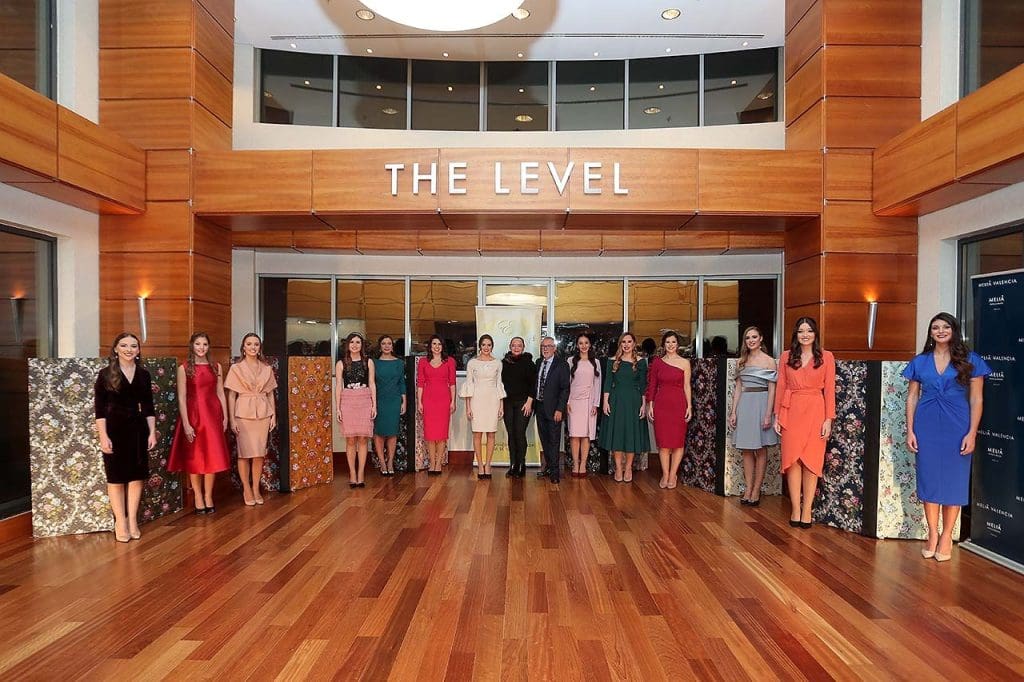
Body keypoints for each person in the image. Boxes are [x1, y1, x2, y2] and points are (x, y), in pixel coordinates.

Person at [904, 312, 990, 562]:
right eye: (935, 327)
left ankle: (947, 536)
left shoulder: (971, 360)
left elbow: (977, 399)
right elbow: (912, 397)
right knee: (929, 480)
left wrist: (972, 433)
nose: (940, 331)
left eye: (945, 327)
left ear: (954, 330)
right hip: (927, 425)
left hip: (958, 426)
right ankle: (932, 533)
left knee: (954, 482)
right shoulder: (920, 361)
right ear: (930, 333)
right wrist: (910, 429)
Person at [773, 317, 835, 529]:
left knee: (812, 462)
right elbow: (781, 386)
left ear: (815, 334)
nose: (805, 335)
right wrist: (777, 415)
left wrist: (828, 419)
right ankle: (795, 509)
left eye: (809, 331)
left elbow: (830, 390)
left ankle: (807, 509)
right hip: (791, 411)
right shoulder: (786, 356)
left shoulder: (826, 357)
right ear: (795, 334)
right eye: (801, 331)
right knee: (792, 462)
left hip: (816, 411)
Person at [94, 332, 156, 542]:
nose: (129, 349)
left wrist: (152, 432)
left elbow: (148, 407)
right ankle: (120, 521)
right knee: (116, 478)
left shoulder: (144, 375)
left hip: (138, 430)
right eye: (124, 345)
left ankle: (132, 520)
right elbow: (99, 410)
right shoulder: (105, 374)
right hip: (114, 430)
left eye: (133, 346)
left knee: (136, 477)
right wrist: (103, 436)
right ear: (116, 349)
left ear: (138, 350)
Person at [169, 332, 230, 514]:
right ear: (192, 346)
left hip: (212, 415)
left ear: (208, 347)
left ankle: (208, 495)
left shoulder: (216, 367)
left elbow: (220, 393)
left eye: (205, 344)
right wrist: (186, 424)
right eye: (198, 344)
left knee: (213, 455)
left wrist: (225, 416)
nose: (201, 347)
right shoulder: (184, 368)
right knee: (194, 456)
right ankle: (197, 496)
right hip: (194, 415)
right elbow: (181, 398)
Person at [225, 333, 277, 506]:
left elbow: (270, 394)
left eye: (256, 344)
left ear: (260, 348)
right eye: (249, 344)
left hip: (263, 413)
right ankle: (246, 488)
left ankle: (256, 488)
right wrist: (232, 419)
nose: (253, 347)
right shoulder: (236, 368)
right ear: (243, 347)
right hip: (243, 414)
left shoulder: (267, 368)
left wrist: (273, 415)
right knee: (244, 453)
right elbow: (231, 396)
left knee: (259, 454)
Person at [728, 326, 778, 506]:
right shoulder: (742, 361)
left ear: (761, 338)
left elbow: (772, 390)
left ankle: (756, 490)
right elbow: (738, 388)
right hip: (745, 404)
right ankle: (748, 488)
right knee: (746, 450)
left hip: (762, 404)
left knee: (761, 448)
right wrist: (734, 411)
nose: (751, 340)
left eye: (754, 337)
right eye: (748, 337)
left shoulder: (769, 361)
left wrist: (768, 414)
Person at [645, 331, 692, 489]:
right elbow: (652, 385)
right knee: (663, 443)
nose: (671, 345)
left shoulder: (685, 363)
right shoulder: (657, 362)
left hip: (679, 404)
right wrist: (650, 405)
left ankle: (673, 474)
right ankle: (665, 474)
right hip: (661, 405)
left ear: (677, 344)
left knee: (678, 442)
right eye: (668, 342)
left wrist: (689, 406)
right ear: (663, 345)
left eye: (673, 342)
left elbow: (687, 386)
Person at [599, 332, 649, 483]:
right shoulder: (612, 361)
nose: (626, 345)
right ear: (620, 344)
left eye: (629, 342)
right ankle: (618, 468)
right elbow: (608, 383)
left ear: (634, 344)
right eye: (623, 342)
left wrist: (643, 404)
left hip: (634, 401)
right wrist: (605, 402)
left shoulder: (641, 362)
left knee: (631, 434)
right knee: (618, 435)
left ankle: (628, 468)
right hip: (616, 400)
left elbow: (643, 385)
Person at [461, 334, 505, 479]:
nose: (486, 347)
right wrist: (468, 407)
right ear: (480, 346)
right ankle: (480, 464)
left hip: (493, 400)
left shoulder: (498, 363)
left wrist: (501, 406)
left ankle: (488, 465)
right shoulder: (472, 363)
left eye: (489, 345)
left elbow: (499, 384)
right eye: (484, 344)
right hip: (476, 400)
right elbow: (469, 385)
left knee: (491, 433)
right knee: (477, 434)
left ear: (492, 347)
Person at [336, 332, 377, 488]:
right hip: (347, 400)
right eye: (352, 342)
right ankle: (352, 473)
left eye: (358, 342)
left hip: (364, 399)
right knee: (351, 439)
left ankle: (361, 474)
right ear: (347, 345)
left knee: (363, 439)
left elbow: (372, 383)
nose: (354, 345)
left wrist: (374, 404)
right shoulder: (341, 363)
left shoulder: (368, 362)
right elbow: (338, 386)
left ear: (362, 345)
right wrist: (338, 407)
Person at [416, 334, 456, 475]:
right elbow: (420, 383)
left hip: (444, 399)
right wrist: (419, 402)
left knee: (441, 434)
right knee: (430, 434)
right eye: (434, 344)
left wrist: (453, 401)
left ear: (443, 346)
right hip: (428, 399)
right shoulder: (423, 361)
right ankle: (431, 463)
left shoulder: (449, 361)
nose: (437, 347)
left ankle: (438, 464)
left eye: (439, 344)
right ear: (430, 346)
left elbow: (452, 382)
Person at [535, 337, 570, 483]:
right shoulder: (538, 362)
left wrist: (560, 409)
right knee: (544, 439)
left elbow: (565, 389)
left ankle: (555, 473)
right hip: (539, 407)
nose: (545, 349)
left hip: (554, 409)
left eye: (549, 346)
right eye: (543, 346)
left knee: (554, 441)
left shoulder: (562, 365)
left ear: (554, 348)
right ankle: (549, 467)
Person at [501, 336, 536, 478]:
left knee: (519, 433)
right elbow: (500, 384)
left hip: (524, 403)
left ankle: (521, 465)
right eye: (514, 345)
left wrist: (529, 402)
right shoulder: (504, 363)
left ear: (523, 347)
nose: (516, 347)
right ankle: (513, 465)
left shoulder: (529, 363)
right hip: (508, 403)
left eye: (519, 345)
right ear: (510, 347)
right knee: (511, 434)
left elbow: (534, 384)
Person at [567, 333, 601, 478]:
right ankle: (575, 464)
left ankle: (583, 465)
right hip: (574, 402)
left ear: (590, 345)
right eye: (580, 343)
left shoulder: (596, 362)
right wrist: (567, 402)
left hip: (589, 402)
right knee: (575, 435)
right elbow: (567, 383)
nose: (584, 346)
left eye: (586, 343)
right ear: (577, 345)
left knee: (586, 435)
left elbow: (597, 384)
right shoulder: (570, 361)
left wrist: (596, 404)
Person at [373, 334, 406, 477]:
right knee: (379, 432)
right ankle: (382, 462)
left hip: (394, 400)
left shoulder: (399, 363)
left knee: (392, 432)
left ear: (392, 346)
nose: (386, 346)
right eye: (383, 343)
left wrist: (404, 401)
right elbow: (371, 382)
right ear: (380, 346)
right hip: (378, 400)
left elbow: (402, 382)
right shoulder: (373, 363)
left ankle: (390, 462)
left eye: (389, 343)